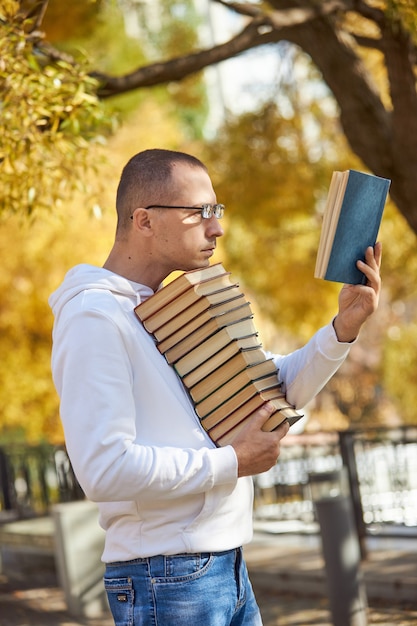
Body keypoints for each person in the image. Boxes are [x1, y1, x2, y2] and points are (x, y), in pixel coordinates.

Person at [49, 148, 382, 626]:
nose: (217, 228)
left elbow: (272, 389)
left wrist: (342, 328)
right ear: (143, 220)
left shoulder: (175, 306)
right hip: (165, 577)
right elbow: (103, 468)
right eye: (199, 213)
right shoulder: (94, 318)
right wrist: (231, 462)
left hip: (226, 567)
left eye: (216, 210)